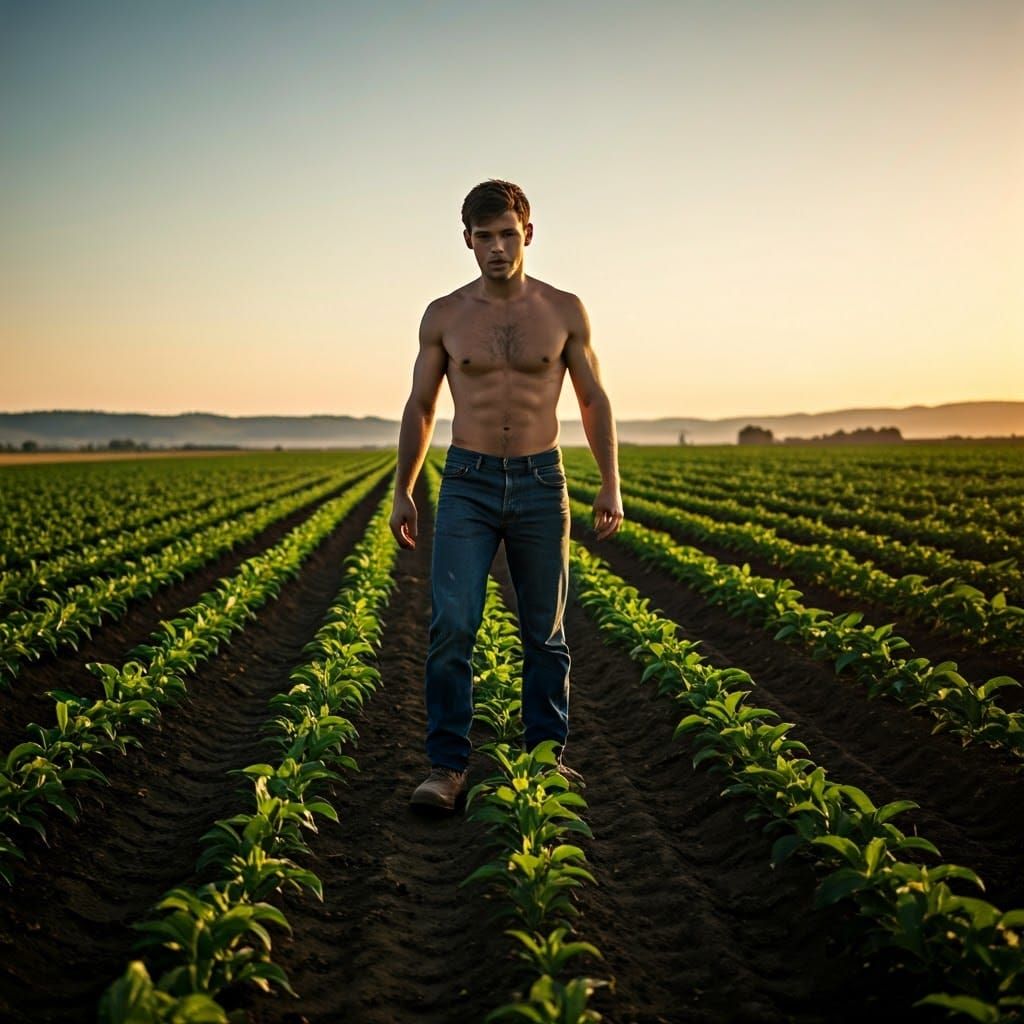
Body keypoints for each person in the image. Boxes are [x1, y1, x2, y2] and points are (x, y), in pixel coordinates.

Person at [389, 179, 624, 812]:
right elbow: (421, 405)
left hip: (542, 482)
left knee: (545, 633)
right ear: (467, 240)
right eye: (484, 236)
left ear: (529, 232)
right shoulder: (444, 315)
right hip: (466, 482)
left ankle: (546, 760)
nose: (497, 247)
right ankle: (447, 767)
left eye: (508, 234)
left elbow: (592, 398)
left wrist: (610, 481)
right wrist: (404, 490)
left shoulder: (564, 309)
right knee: (452, 625)